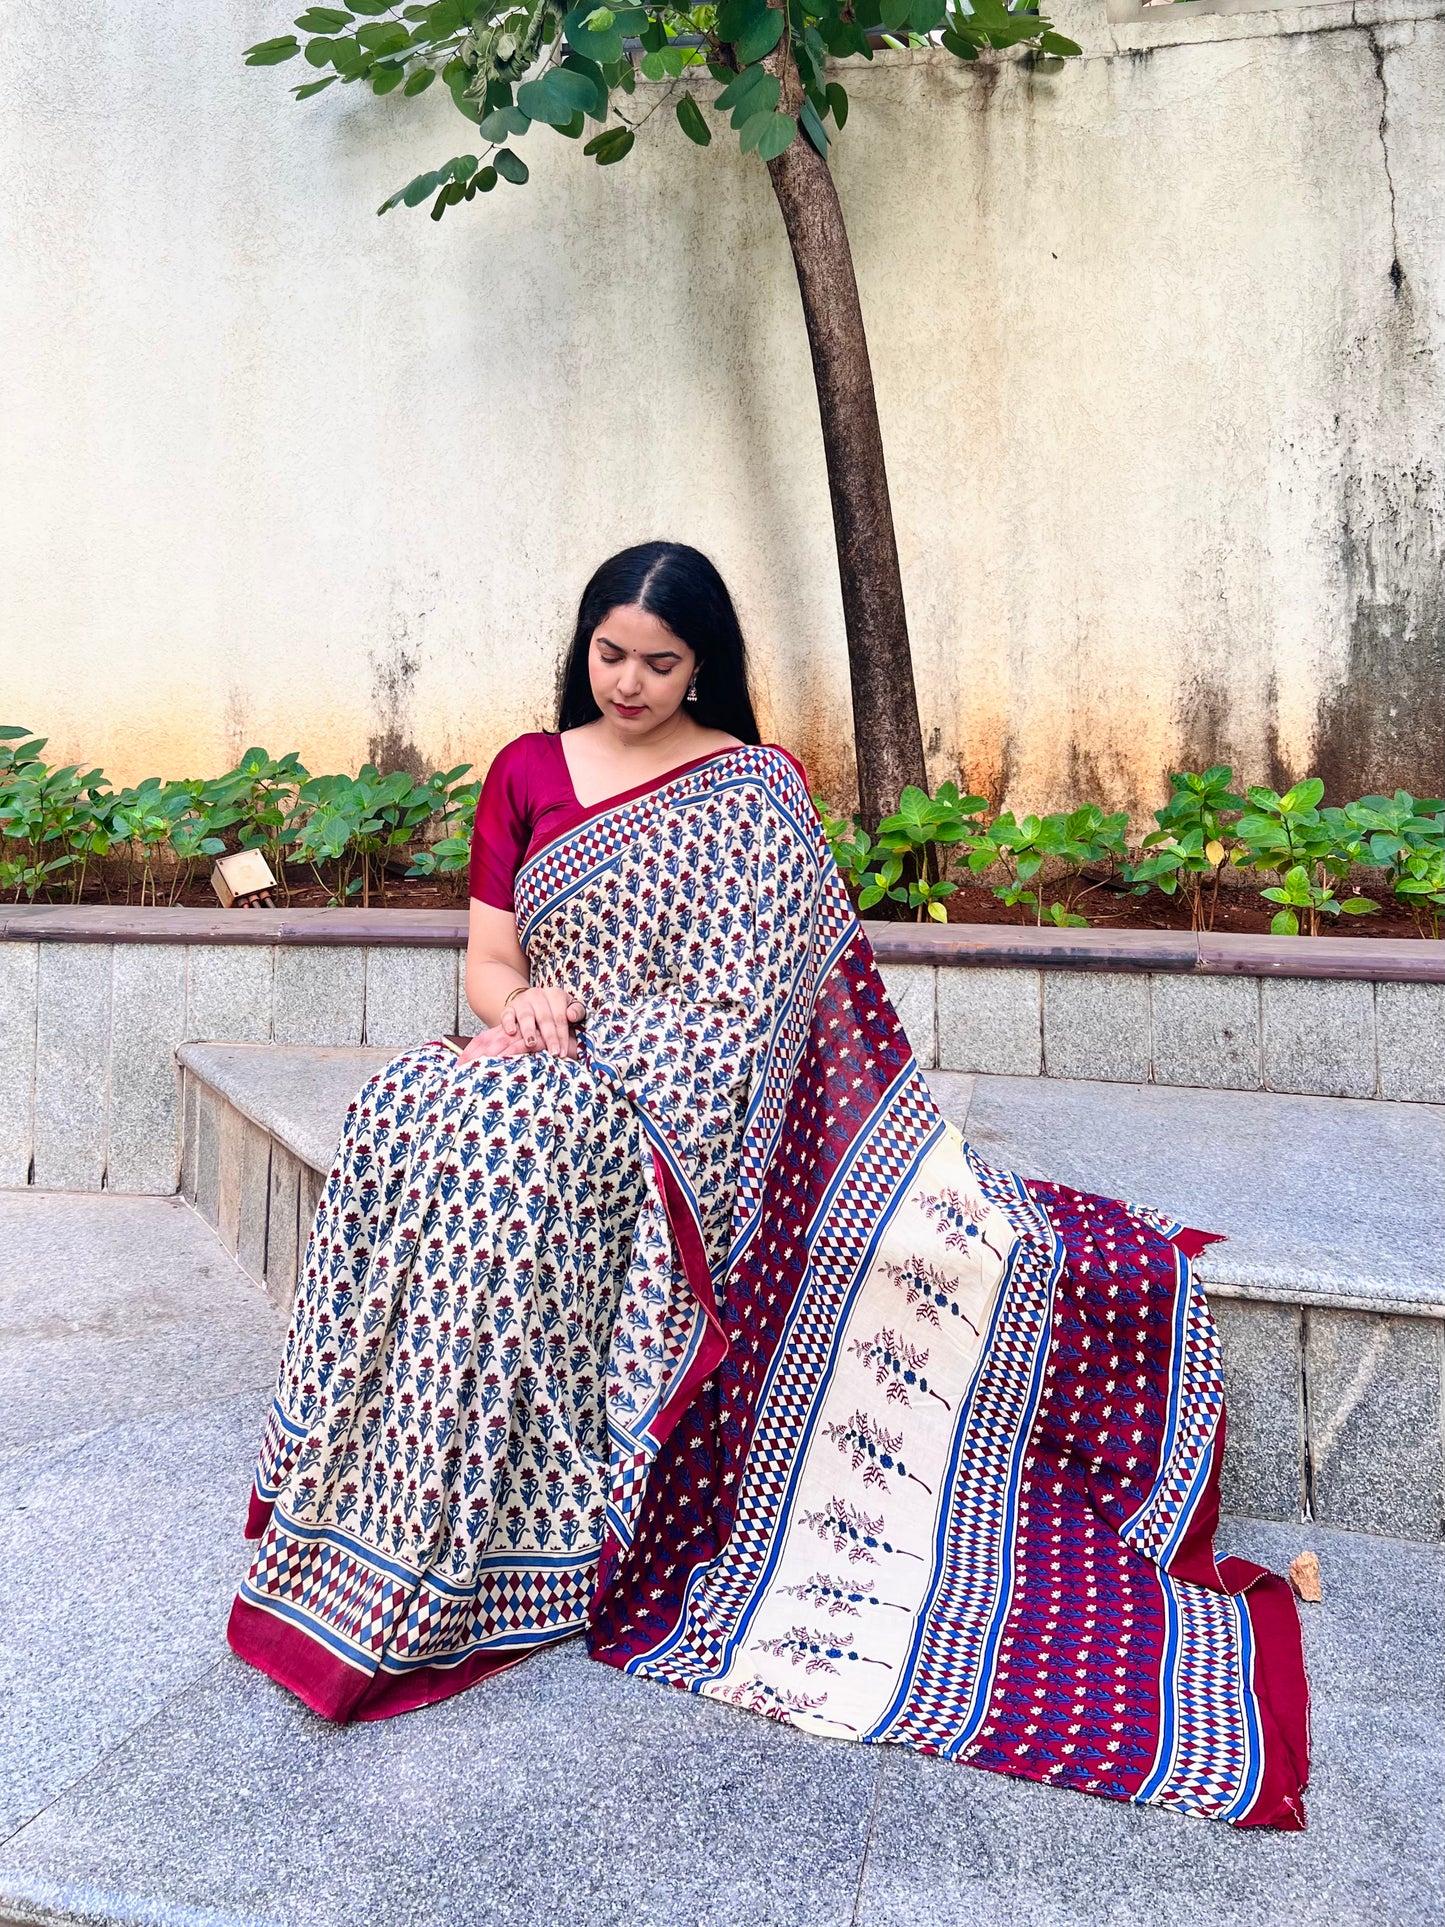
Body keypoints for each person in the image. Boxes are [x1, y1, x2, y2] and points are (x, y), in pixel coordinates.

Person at [229, 541, 1309, 1829]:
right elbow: (485, 962)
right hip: (540, 1046)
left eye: (661, 662)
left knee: (512, 1160)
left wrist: (626, 1051)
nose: (629, 682)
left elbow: (768, 1007)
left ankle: (494, 1523)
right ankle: (389, 1489)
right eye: (610, 653)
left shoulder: (754, 788)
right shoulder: (525, 771)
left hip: (681, 1085)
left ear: (707, 666)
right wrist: (523, 1007)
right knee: (408, 1111)